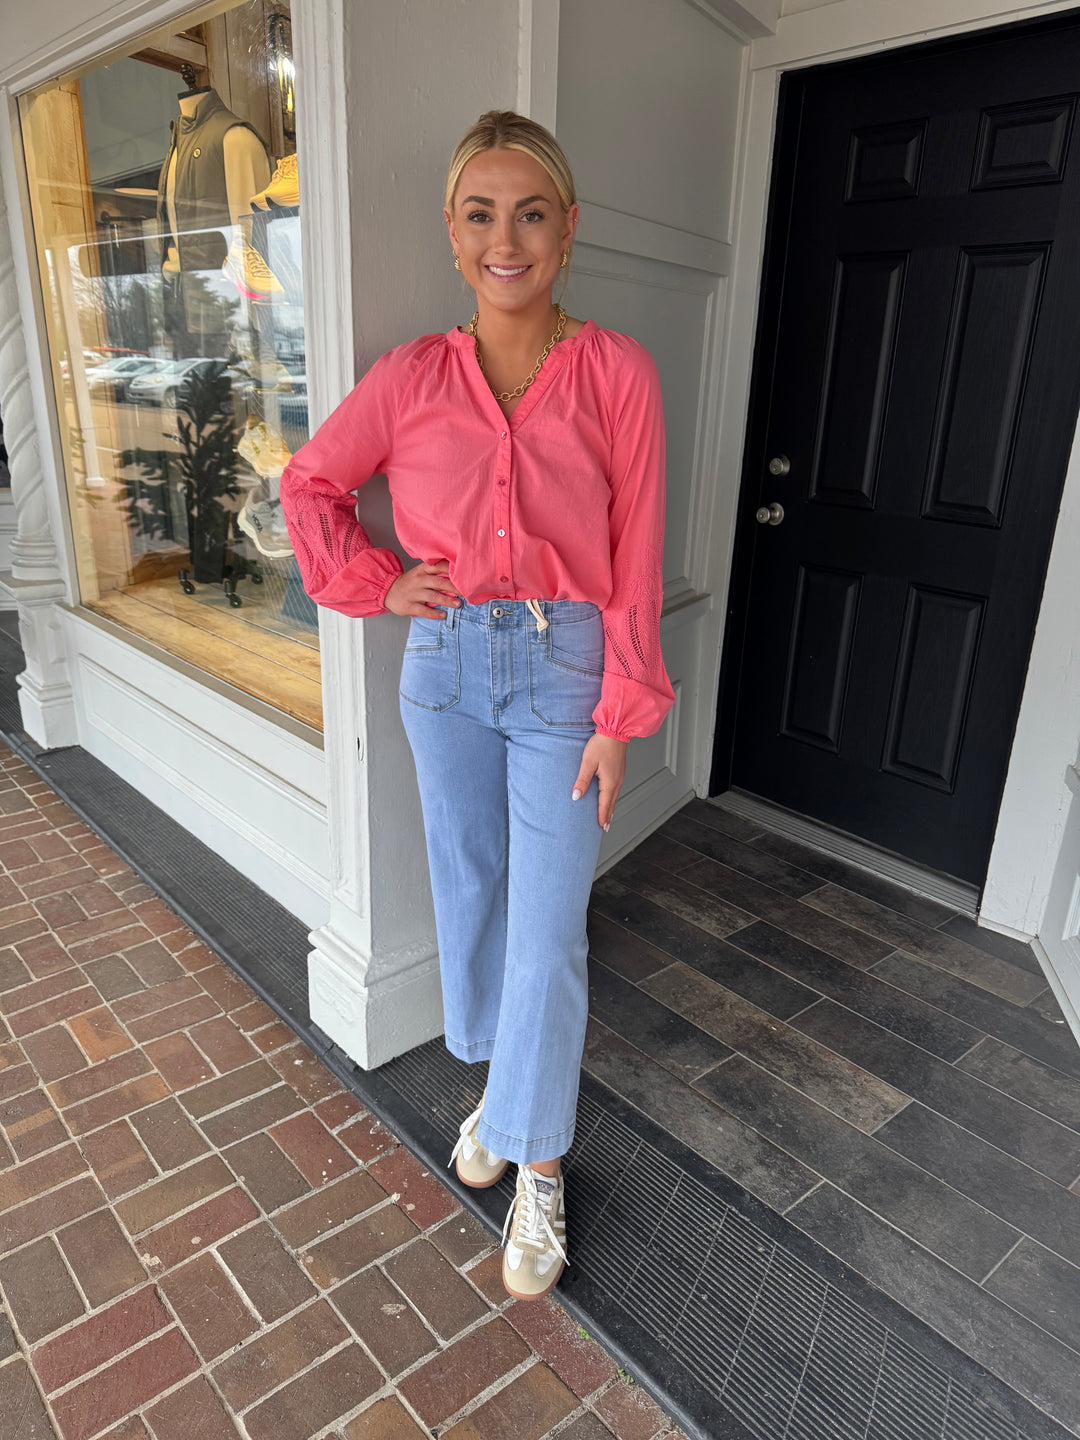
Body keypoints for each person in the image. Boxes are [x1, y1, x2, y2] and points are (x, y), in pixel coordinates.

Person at [278, 110, 674, 1301]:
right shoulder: (411, 378)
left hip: (566, 666)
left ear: (568, 228)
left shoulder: (616, 373)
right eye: (481, 215)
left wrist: (619, 713)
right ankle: (506, 1100)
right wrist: (379, 583)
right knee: (475, 898)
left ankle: (538, 1165)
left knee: (550, 928)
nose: (508, 239)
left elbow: (638, 552)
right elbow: (312, 483)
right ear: (453, 235)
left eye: (531, 213)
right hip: (445, 670)